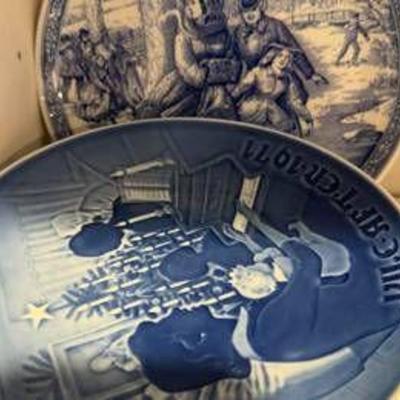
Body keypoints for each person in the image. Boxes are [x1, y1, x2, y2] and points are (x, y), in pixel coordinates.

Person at [235, 0, 329, 99]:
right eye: (246, 11)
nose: (250, 15)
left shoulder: (275, 26)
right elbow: (235, 58)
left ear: (259, 8)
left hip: (281, 82)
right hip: (256, 84)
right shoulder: (238, 33)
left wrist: (310, 74)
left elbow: (294, 50)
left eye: (253, 9)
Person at [233, 46, 314, 137]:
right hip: (249, 109)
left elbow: (295, 101)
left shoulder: (287, 79)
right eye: (280, 55)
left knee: (289, 125)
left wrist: (308, 118)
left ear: (289, 62)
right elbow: (240, 89)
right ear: (273, 57)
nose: (283, 59)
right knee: (270, 107)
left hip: (269, 113)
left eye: (287, 58)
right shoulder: (258, 71)